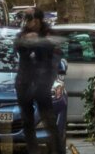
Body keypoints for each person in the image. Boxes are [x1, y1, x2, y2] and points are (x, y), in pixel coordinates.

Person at [15, 8, 66, 154]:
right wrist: (27, 42)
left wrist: (38, 42)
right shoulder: (23, 34)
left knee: (49, 120)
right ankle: (33, 151)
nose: (28, 23)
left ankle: (58, 151)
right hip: (24, 84)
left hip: (42, 85)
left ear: (37, 21)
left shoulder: (49, 34)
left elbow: (54, 55)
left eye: (30, 19)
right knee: (27, 121)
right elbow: (18, 47)